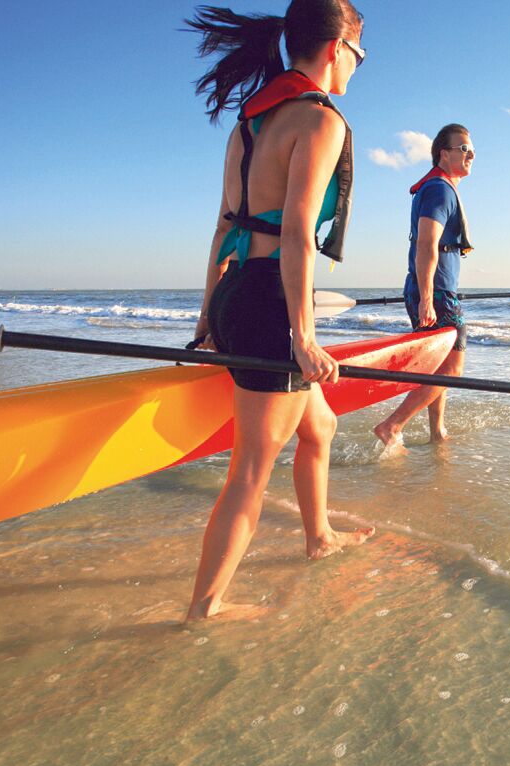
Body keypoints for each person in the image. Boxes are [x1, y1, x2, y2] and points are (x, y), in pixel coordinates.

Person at [184, 1, 372, 621]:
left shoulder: (251, 122)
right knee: (250, 471)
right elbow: (296, 234)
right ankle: (205, 608)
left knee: (319, 427)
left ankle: (318, 538)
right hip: (272, 302)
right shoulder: (319, 121)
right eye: (359, 54)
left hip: (239, 291)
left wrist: (208, 316)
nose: (358, 66)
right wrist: (304, 336)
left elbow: (220, 228)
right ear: (334, 49)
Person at [373, 124, 475, 447]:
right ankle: (392, 425)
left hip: (432, 289)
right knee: (452, 369)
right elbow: (427, 245)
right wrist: (428, 298)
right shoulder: (439, 190)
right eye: (463, 148)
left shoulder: (437, 187)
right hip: (437, 292)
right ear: (443, 155)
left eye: (472, 149)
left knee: (436, 365)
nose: (470, 154)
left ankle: (436, 430)